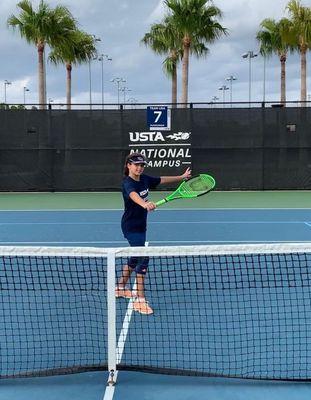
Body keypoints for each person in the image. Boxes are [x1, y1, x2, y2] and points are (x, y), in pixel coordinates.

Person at [115, 152, 191, 315]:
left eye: (142, 165)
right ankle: (140, 300)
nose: (140, 168)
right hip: (130, 226)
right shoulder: (128, 183)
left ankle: (120, 287)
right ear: (128, 165)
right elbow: (133, 195)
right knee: (144, 256)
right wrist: (144, 203)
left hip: (141, 226)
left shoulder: (145, 179)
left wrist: (181, 177)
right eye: (136, 165)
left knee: (135, 256)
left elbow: (161, 179)